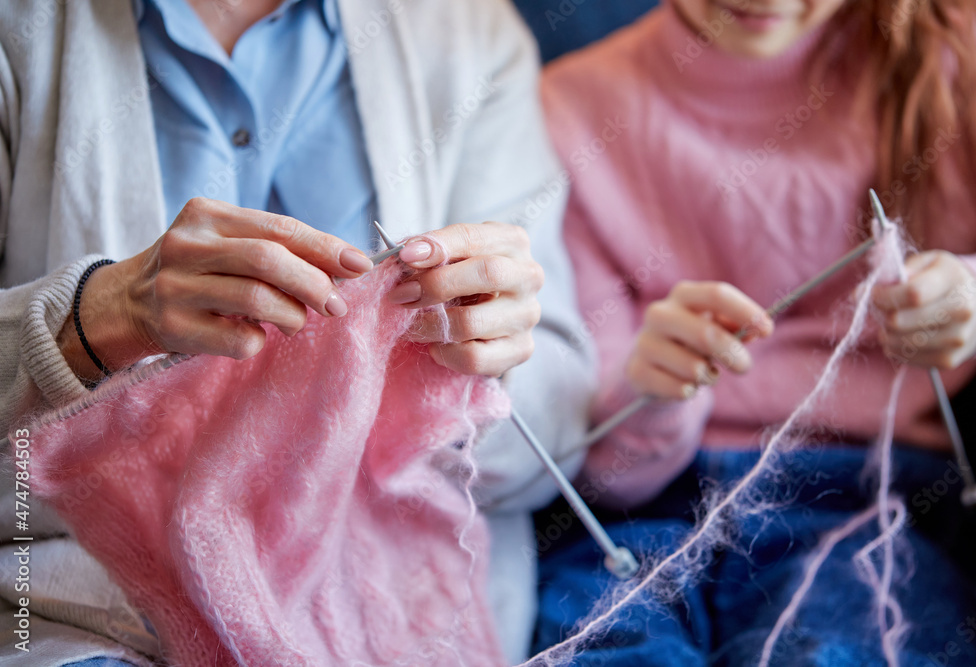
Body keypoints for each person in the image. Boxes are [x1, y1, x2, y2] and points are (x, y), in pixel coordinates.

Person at [0, 0, 594, 664]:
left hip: (399, 614)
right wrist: (96, 316)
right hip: (69, 609)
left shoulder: (467, 34)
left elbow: (565, 429)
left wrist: (483, 365)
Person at [535, 0, 976, 663]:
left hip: (864, 503)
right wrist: (653, 390)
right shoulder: (574, 107)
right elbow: (602, 465)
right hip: (644, 519)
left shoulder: (957, 59)